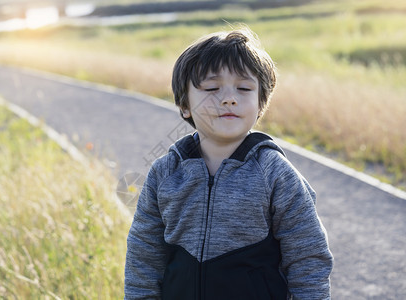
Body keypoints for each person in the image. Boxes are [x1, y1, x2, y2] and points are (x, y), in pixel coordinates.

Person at [124, 27, 333, 299]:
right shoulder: (165, 173)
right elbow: (144, 254)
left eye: (244, 88)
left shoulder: (275, 173)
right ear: (185, 105)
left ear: (260, 104)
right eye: (212, 88)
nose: (229, 98)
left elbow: (308, 255)